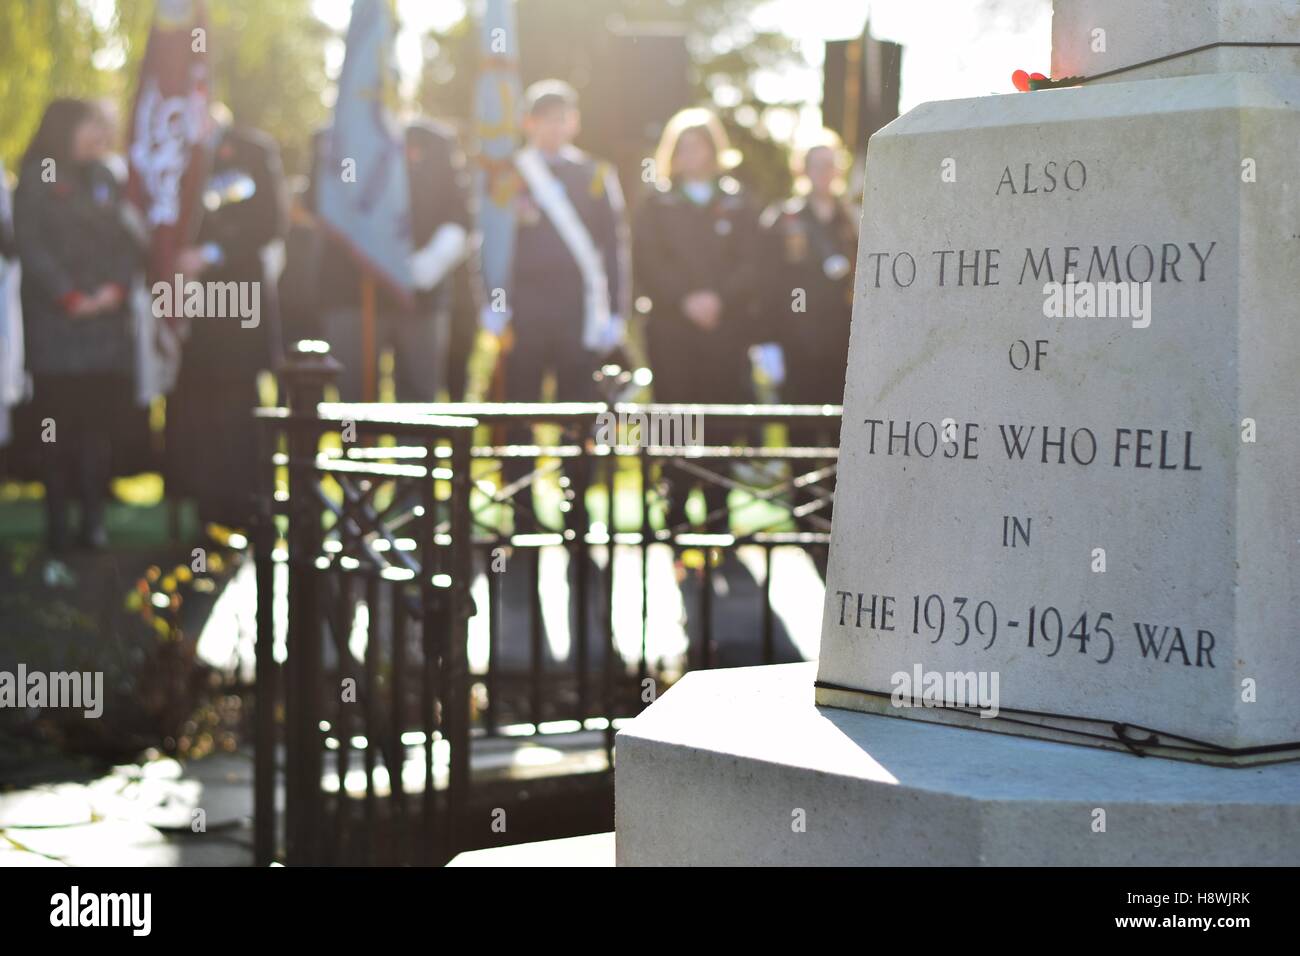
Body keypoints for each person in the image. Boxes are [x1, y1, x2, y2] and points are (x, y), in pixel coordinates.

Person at [487, 79, 629, 532]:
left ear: (574, 122)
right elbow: (491, 243)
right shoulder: (510, 174)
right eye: (545, 118)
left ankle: (577, 503)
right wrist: (491, 301)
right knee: (520, 412)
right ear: (528, 123)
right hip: (525, 311)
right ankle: (522, 505)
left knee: (579, 411)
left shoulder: (595, 174)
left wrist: (617, 312)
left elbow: (614, 245)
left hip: (578, 311)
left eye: (562, 117)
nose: (554, 127)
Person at [13, 98, 144, 552]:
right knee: (55, 427)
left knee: (96, 428)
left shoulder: (107, 178)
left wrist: (114, 289)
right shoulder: (40, 176)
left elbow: (128, 242)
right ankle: (56, 525)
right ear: (65, 128)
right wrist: (67, 295)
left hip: (103, 328)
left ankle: (93, 521)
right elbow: (31, 244)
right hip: (57, 328)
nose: (100, 136)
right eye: (92, 126)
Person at [632, 108, 765, 533]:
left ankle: (718, 509)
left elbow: (753, 263)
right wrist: (685, 299)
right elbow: (647, 261)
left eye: (701, 144)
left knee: (723, 416)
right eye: (684, 146)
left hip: (726, 331)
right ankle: (673, 505)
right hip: (673, 331)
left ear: (714, 149)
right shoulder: (656, 204)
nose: (693, 153)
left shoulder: (739, 201)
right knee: (675, 417)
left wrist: (718, 298)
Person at [165, 104, 289, 530]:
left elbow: (270, 221)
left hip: (238, 298)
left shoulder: (254, 151)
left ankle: (248, 505)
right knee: (195, 399)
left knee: (239, 401)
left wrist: (213, 255)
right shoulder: (170, 154)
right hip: (190, 301)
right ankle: (202, 506)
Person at [311, 117, 473, 402]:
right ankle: (356, 448)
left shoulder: (433, 141)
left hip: (419, 296)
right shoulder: (333, 139)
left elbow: (459, 212)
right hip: (352, 293)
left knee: (419, 407)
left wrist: (429, 264)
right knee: (353, 403)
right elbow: (317, 204)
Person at [759, 131, 858, 531]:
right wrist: (766, 342)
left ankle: (837, 516)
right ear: (802, 168)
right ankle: (802, 515)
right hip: (797, 343)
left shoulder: (851, 218)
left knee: (840, 430)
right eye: (816, 163)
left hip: (842, 343)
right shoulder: (782, 220)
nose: (824, 171)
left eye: (831, 163)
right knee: (801, 430)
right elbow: (767, 285)